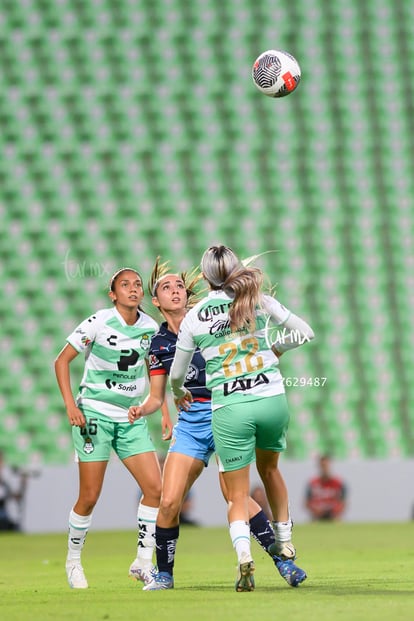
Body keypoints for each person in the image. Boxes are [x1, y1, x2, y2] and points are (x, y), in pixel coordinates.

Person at [129, 256, 308, 591]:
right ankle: (164, 574)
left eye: (179, 285)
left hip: (227, 408)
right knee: (169, 501)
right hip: (194, 420)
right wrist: (146, 409)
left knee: (237, 497)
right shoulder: (159, 345)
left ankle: (284, 562)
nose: (175, 291)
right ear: (157, 301)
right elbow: (158, 394)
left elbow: (254, 350)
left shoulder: (216, 317)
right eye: (167, 288)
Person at [54, 267, 173, 589]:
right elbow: (61, 361)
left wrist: (163, 411)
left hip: (131, 418)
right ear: (113, 294)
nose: (133, 289)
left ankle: (142, 562)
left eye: (137, 285)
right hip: (94, 414)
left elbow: (156, 375)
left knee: (155, 490)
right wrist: (71, 406)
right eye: (125, 285)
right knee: (90, 496)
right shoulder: (98, 321)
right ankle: (73, 562)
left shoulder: (151, 328)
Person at [305, 455, 347, 521]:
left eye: (326, 465)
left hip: (334, 517)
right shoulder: (312, 483)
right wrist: (315, 510)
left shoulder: (338, 483)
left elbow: (343, 502)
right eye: (322, 465)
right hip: (317, 518)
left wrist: (335, 511)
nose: (324, 468)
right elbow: (307, 502)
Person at [0, 451, 28, 531]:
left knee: (15, 527)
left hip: (3, 518)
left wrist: (23, 485)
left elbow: (16, 497)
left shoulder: (5, 483)